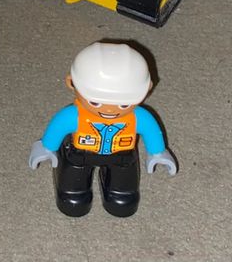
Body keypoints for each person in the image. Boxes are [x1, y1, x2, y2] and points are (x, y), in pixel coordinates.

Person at [29, 41, 176, 217]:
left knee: (123, 200)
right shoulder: (75, 116)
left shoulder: (138, 118)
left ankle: (118, 192)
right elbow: (58, 126)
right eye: (95, 102)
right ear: (71, 83)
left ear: (147, 89)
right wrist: (47, 147)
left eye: (123, 104)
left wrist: (157, 152)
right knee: (73, 198)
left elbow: (151, 130)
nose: (109, 110)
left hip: (122, 157)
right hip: (80, 155)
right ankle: (74, 191)